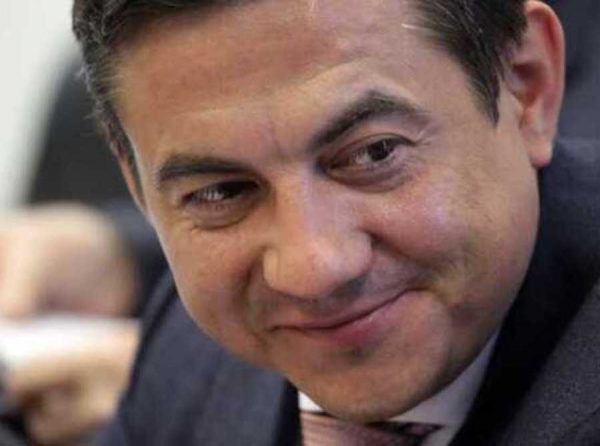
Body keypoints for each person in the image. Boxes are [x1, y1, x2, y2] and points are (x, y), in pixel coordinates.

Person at [67, 0, 600, 445]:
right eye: (221, 192)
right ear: (137, 184)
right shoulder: (189, 356)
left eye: (374, 153)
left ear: (526, 87)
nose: (312, 270)